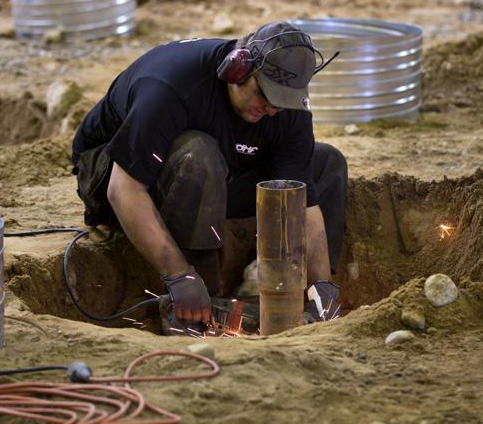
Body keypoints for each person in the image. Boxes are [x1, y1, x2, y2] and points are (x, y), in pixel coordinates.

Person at [71, 21, 348, 330]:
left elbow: (303, 201)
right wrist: (179, 277)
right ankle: (194, 301)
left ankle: (287, 294)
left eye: (281, 103)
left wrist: (322, 285)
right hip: (113, 174)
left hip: (215, 171)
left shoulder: (284, 108)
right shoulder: (171, 86)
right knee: (198, 153)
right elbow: (123, 190)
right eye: (264, 96)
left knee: (325, 162)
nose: (271, 109)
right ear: (237, 70)